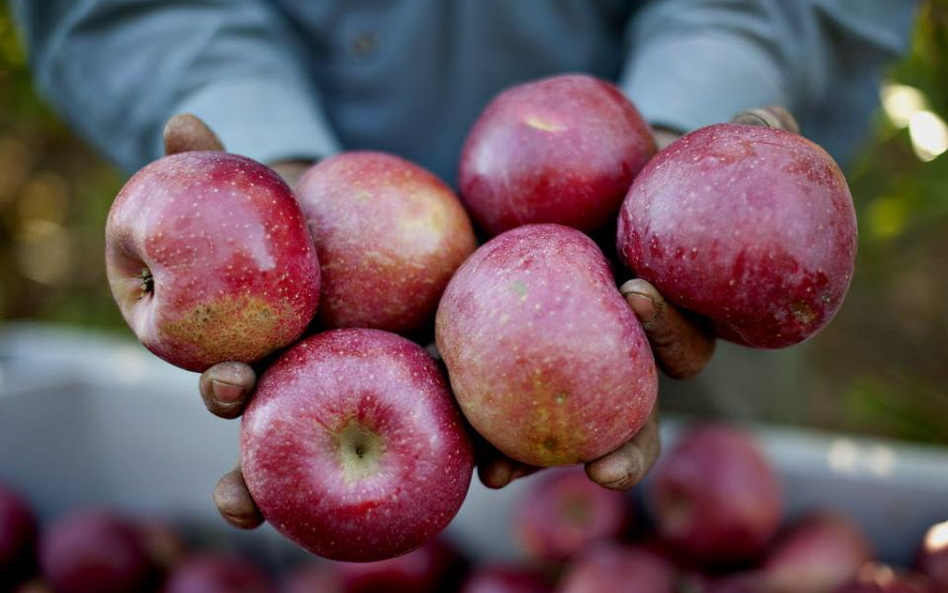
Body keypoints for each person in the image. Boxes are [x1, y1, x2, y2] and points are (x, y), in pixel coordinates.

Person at [12, 0, 918, 530]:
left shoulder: (671, 221)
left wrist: (680, 157)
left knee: (685, 531)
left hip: (681, 292)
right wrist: (258, 188)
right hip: (297, 276)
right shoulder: (265, 249)